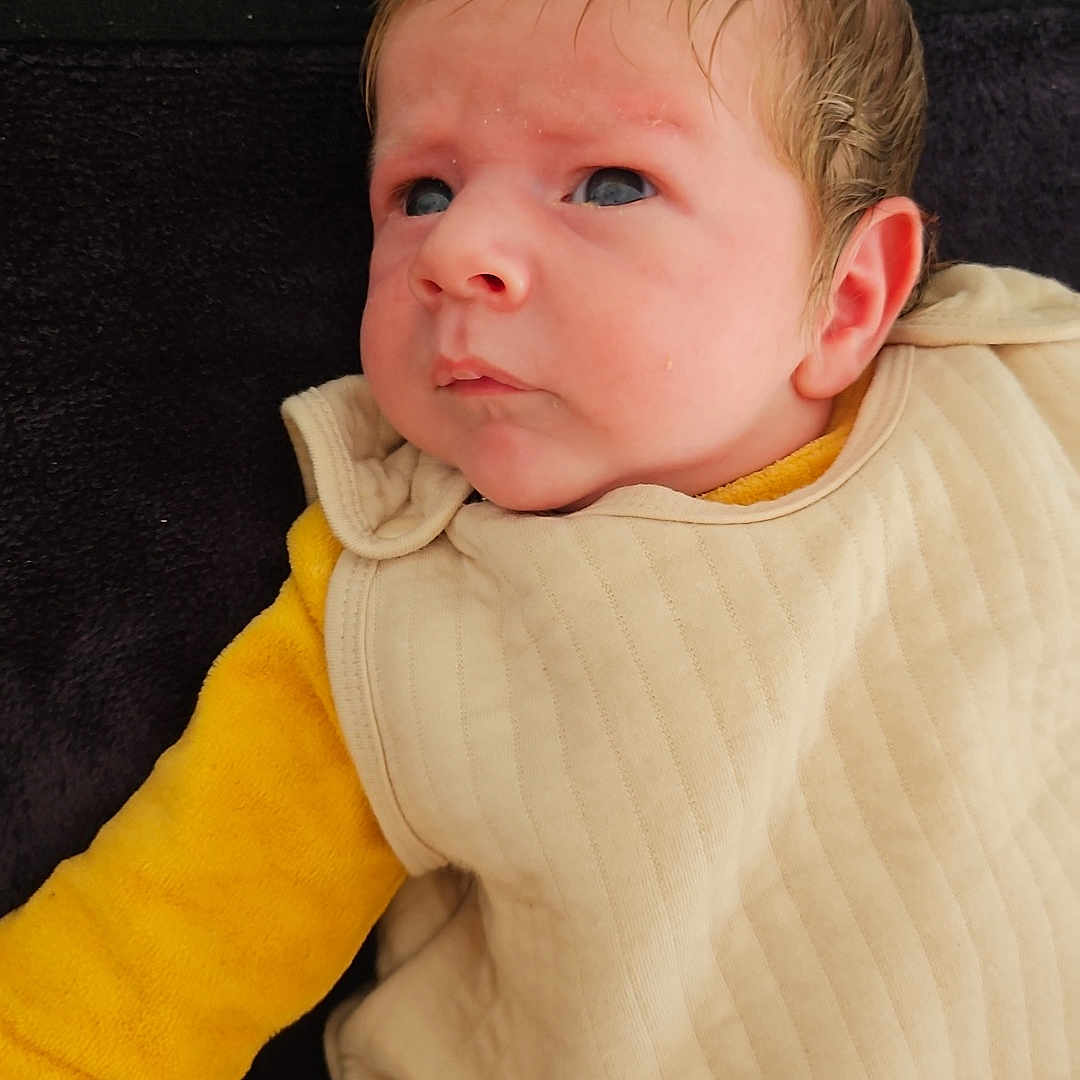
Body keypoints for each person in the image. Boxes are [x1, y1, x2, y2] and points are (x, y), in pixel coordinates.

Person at [2, 0, 1078, 1075]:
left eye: (609, 186)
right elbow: (143, 962)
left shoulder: (1023, 389)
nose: (455, 250)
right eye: (422, 193)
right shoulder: (388, 603)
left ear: (846, 301)